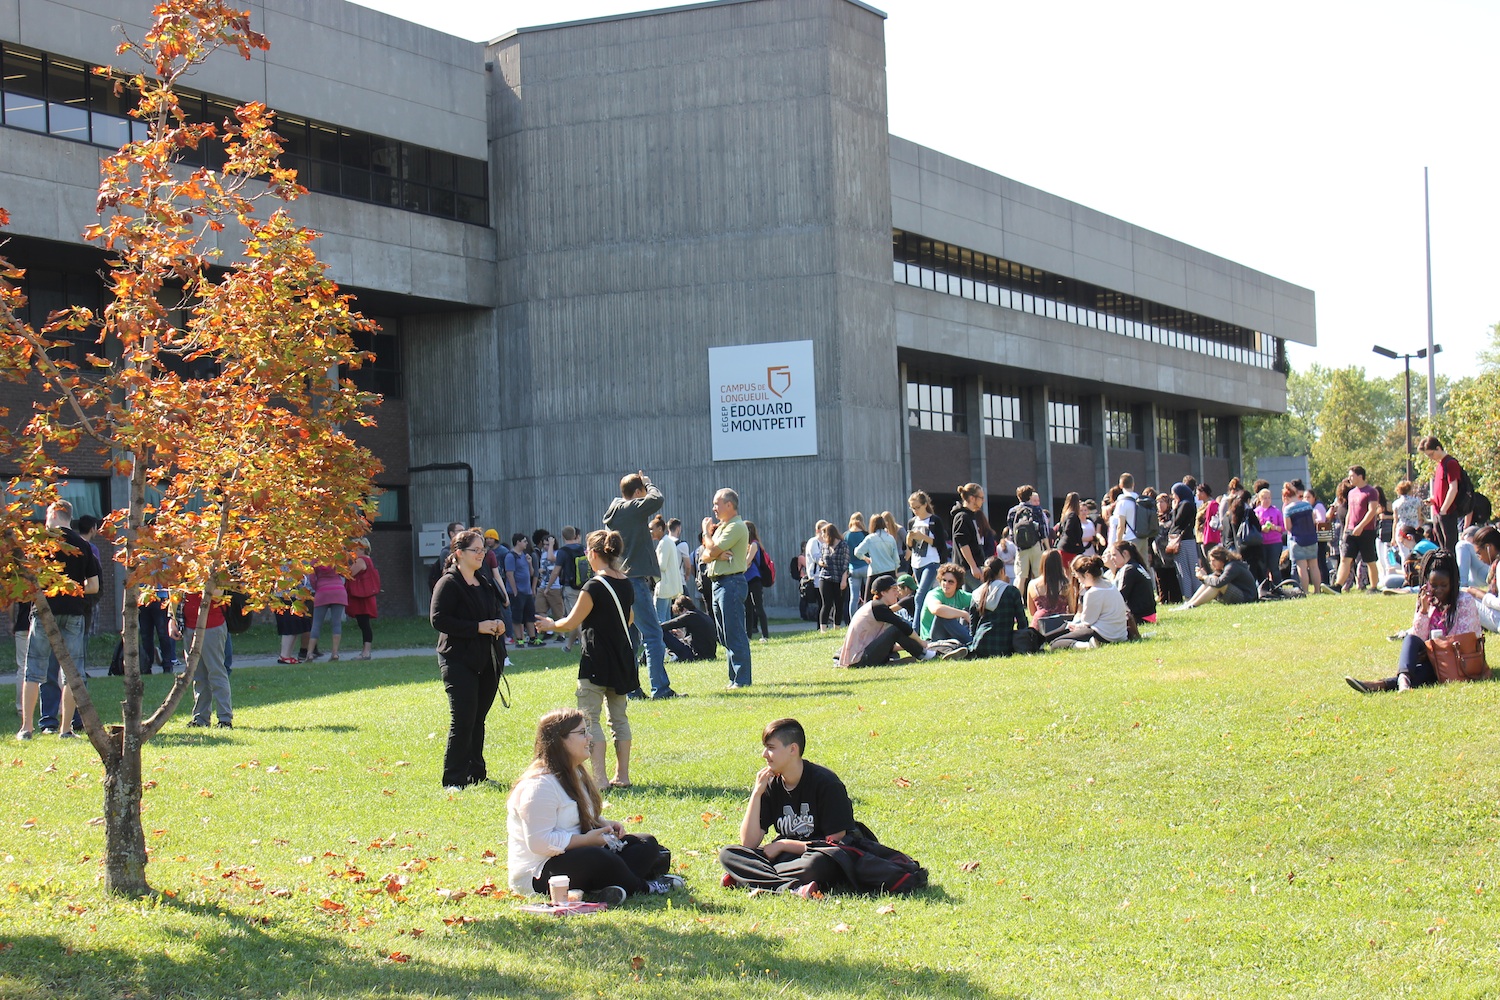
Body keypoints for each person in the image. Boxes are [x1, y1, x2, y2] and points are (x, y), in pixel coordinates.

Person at [506, 708, 682, 904]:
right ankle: (645, 887)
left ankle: (610, 886)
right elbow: (539, 842)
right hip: (539, 873)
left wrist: (603, 824)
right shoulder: (539, 786)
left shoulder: (575, 773)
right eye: (582, 733)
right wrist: (585, 841)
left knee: (645, 843)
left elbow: (576, 817)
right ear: (560, 740)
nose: (589, 738)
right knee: (597, 857)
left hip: (579, 855)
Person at [538, 529, 637, 790]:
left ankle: (600, 779)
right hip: (622, 658)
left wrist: (550, 624)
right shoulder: (625, 582)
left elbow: (571, 622)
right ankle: (623, 776)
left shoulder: (594, 585)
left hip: (596, 659)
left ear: (593, 553)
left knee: (590, 719)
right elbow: (630, 618)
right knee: (619, 719)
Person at [719, 718, 854, 897]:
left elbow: (835, 843)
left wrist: (783, 845)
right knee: (728, 854)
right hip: (786, 858)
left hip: (818, 856)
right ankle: (792, 888)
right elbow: (748, 843)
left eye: (771, 748)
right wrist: (757, 793)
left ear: (792, 749)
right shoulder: (771, 784)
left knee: (815, 865)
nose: (764, 754)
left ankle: (751, 877)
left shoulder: (827, 783)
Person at [430, 529, 508, 792]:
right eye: (475, 550)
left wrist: (498, 624)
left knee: (478, 718)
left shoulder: (484, 582)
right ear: (459, 553)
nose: (481, 554)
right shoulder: (448, 583)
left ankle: (476, 774)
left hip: (487, 658)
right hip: (458, 659)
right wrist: (477, 627)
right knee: (463, 718)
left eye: (483, 550)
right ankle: (453, 779)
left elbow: (495, 610)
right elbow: (438, 619)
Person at [18, 500, 100, 741]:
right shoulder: (83, 545)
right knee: (72, 673)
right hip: (74, 613)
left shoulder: (41, 543)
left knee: (34, 669)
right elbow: (94, 586)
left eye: (46, 514)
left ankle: (27, 728)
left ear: (54, 514)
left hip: (45, 612)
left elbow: (29, 580)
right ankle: (66, 729)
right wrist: (73, 590)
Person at [1347, 551, 1481, 693]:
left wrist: (1432, 651)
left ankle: (1380, 685)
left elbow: (1463, 641)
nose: (1438, 590)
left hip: (1457, 660)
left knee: (1426, 670)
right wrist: (1423, 611)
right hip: (1435, 657)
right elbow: (1418, 636)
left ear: (1452, 583)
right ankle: (1403, 680)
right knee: (1410, 639)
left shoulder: (1464, 601)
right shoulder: (1427, 599)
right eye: (1434, 585)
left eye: (1444, 585)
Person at [603, 471, 672, 699]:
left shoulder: (615, 511)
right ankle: (660, 689)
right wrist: (649, 483)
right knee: (653, 635)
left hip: (620, 581)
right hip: (635, 581)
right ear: (636, 493)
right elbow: (657, 499)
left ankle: (632, 690)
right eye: (642, 492)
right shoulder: (631, 507)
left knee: (630, 638)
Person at [838, 574, 949, 667]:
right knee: (896, 628)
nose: (897, 593)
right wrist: (922, 643)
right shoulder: (878, 607)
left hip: (860, 657)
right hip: (859, 660)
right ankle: (926, 655)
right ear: (883, 593)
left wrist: (907, 646)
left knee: (894, 633)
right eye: (894, 590)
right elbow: (902, 626)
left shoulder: (875, 606)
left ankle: (895, 659)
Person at [702, 489, 753, 688]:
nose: (714, 508)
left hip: (731, 583)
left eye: (717, 503)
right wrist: (713, 552)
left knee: (734, 633)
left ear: (729, 505)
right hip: (718, 583)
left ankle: (741, 680)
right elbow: (705, 555)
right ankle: (734, 678)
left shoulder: (736, 526)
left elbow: (711, 549)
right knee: (724, 634)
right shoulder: (723, 527)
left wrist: (707, 534)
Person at [170, 586, 233, 729]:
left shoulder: (214, 572)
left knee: (216, 673)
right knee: (197, 675)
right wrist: (173, 621)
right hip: (189, 626)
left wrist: (200, 581)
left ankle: (225, 719)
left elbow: (218, 593)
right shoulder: (183, 573)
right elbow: (175, 594)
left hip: (212, 626)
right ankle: (200, 719)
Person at [1048, 555, 1129, 648]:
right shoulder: (1110, 585)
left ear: (1087, 575)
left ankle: (1088, 645)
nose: (1079, 581)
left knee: (1056, 644)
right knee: (1064, 633)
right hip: (1120, 634)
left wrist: (1077, 626)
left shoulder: (1093, 592)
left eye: (1079, 578)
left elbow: (1087, 622)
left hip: (1104, 634)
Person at [967, 557, 1027, 658]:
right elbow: (1022, 622)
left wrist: (973, 643)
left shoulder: (976, 593)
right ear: (1002, 571)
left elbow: (973, 625)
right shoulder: (1011, 591)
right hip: (1004, 645)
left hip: (979, 645)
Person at [1334, 466, 1380, 592]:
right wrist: (1346, 529)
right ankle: (1338, 585)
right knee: (1345, 559)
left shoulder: (1371, 491)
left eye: (1352, 476)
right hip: (1351, 531)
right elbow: (1350, 512)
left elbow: (1372, 511)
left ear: (1360, 476)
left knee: (1369, 560)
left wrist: (1361, 526)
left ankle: (1374, 587)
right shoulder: (1351, 493)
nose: (1349, 478)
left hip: (1366, 531)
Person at [905, 491, 947, 618]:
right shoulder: (912, 522)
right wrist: (909, 539)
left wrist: (923, 537)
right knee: (927, 595)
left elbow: (940, 543)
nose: (915, 511)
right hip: (916, 563)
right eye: (912, 508)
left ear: (925, 505)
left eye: (917, 507)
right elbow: (910, 546)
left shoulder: (934, 520)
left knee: (919, 596)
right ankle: (929, 622)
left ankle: (915, 627)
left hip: (932, 562)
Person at [1421, 436, 1467, 551]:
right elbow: (1442, 490)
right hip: (1438, 512)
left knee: (1450, 548)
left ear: (1438, 448)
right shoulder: (1440, 465)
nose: (1431, 458)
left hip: (1447, 512)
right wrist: (1433, 500)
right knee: (1442, 548)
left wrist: (1444, 509)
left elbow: (1453, 488)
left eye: (1431, 454)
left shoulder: (1450, 463)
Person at [1179, 546, 1259, 609]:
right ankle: (1189, 603)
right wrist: (1202, 577)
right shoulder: (1226, 566)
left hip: (1247, 597)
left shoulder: (1232, 566)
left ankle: (1192, 606)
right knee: (1212, 578)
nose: (1211, 563)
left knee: (1217, 585)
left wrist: (1204, 577)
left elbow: (1219, 583)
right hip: (1240, 594)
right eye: (1210, 561)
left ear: (1221, 559)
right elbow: (1211, 580)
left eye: (1213, 560)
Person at [1282, 485, 1324, 595]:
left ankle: (1305, 590)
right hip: (1311, 538)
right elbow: (1314, 521)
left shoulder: (1288, 509)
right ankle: (1317, 590)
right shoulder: (1307, 505)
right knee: (1314, 566)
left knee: (1302, 567)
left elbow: (1288, 527)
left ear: (1286, 497)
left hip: (1298, 540)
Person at [1007, 485, 1050, 592]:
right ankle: (1039, 598)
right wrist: (1048, 548)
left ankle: (1018, 600)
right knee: (1039, 576)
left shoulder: (1013, 511)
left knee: (1021, 577)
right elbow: (1043, 530)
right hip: (1036, 545)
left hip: (1021, 547)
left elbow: (1011, 531)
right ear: (1030, 496)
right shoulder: (1036, 510)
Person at [919, 562, 973, 645]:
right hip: (931, 639)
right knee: (943, 614)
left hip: (950, 636)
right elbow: (936, 609)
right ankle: (971, 642)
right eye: (944, 580)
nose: (946, 584)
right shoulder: (934, 594)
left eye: (951, 582)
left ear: (957, 584)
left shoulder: (960, 595)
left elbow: (980, 600)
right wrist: (964, 614)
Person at [505, 534, 543, 649]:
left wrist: (530, 563)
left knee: (530, 615)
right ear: (518, 542)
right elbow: (509, 574)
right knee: (517, 617)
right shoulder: (511, 556)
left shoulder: (525, 556)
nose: (526, 543)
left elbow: (531, 573)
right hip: (517, 592)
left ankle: (532, 638)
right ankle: (519, 639)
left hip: (527, 591)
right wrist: (515, 591)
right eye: (524, 541)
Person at [1105, 540, 1156, 624]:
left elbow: (1120, 597)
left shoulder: (1129, 569)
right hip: (1150, 616)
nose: (1111, 558)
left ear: (1125, 553)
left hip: (1139, 617)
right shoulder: (1137, 566)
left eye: (1114, 555)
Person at [951, 483, 992, 586]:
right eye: (981, 498)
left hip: (974, 566)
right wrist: (973, 566)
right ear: (972, 498)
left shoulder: (971, 515)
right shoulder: (962, 516)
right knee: (983, 593)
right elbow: (963, 543)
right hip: (968, 568)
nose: (983, 501)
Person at [345, 538, 380, 660]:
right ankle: (365, 651)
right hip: (365, 596)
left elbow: (349, 574)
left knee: (364, 624)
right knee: (364, 624)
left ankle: (366, 652)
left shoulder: (361, 560)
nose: (352, 551)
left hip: (362, 597)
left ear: (361, 549)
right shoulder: (367, 560)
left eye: (354, 548)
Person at [1026, 549, 1075, 635]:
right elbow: (1072, 609)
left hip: (1040, 627)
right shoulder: (1066, 583)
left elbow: (1032, 612)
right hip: (1060, 626)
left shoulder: (1032, 584)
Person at [813, 522, 849, 632]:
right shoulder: (825, 546)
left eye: (823, 534)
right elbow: (821, 558)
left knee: (838, 604)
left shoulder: (843, 545)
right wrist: (820, 562)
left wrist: (844, 580)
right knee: (826, 603)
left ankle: (836, 627)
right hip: (825, 577)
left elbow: (845, 563)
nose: (822, 536)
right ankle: (823, 629)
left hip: (839, 577)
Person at [556, 526, 586, 652]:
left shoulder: (562, 551)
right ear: (575, 535)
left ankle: (586, 645)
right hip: (584, 586)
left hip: (570, 588)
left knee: (574, 618)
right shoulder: (583, 549)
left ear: (563, 537)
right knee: (578, 617)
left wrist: (548, 586)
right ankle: (568, 646)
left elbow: (556, 571)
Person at [661, 594, 717, 662]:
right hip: (710, 654)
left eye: (679, 613)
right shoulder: (702, 615)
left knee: (661, 631)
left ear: (684, 609)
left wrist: (656, 627)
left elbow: (668, 625)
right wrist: (682, 636)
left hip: (696, 655)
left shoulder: (689, 616)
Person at [1166, 483, 1198, 599]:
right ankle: (1197, 593)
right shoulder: (1191, 503)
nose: (1173, 497)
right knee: (1193, 568)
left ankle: (1188, 595)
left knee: (1183, 569)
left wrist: (1174, 509)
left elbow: (1177, 522)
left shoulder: (1184, 505)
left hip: (1181, 541)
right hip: (1189, 539)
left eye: (1174, 494)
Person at [742, 521, 771, 643]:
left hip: (754, 578)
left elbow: (747, 562)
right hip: (746, 579)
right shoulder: (745, 545)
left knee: (758, 607)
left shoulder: (754, 544)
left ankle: (765, 635)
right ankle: (748, 636)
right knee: (748, 609)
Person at [535, 533, 566, 639]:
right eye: (544, 544)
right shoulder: (543, 554)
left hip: (555, 587)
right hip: (543, 585)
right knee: (540, 608)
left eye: (548, 544)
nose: (545, 547)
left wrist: (551, 545)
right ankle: (548, 631)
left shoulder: (558, 553)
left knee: (558, 612)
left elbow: (551, 558)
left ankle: (561, 634)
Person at [1254, 488, 1286, 590]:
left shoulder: (1276, 511)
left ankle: (1278, 588)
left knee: (1274, 567)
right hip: (1261, 543)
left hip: (1275, 542)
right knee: (1262, 568)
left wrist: (1274, 527)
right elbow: (1253, 528)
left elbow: (1283, 528)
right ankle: (1263, 589)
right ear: (1260, 499)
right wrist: (1261, 528)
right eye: (1264, 498)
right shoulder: (1256, 512)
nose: (1267, 500)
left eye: (1268, 498)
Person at [844, 513, 868, 618]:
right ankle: (867, 618)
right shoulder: (865, 534)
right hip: (865, 566)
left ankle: (853, 620)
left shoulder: (846, 535)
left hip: (852, 568)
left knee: (853, 597)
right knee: (868, 595)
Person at [1055, 492, 1087, 571]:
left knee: (1066, 571)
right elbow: (1068, 530)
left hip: (1063, 547)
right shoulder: (1072, 515)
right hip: (1069, 549)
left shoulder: (1065, 514)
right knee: (1071, 572)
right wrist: (1076, 542)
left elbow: (1060, 531)